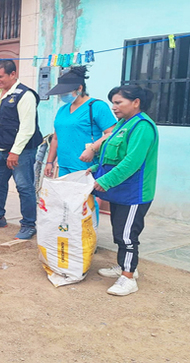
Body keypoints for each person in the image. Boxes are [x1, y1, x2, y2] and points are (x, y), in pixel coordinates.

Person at [88, 85, 158, 296]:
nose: (114, 107)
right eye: (113, 103)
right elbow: (110, 156)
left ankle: (128, 277)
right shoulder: (123, 124)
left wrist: (106, 181)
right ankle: (124, 267)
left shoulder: (143, 126)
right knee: (119, 232)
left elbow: (132, 162)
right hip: (120, 190)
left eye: (118, 102)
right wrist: (92, 170)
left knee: (127, 235)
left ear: (135, 102)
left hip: (134, 193)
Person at [0, 59, 43, 240]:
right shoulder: (0, 93)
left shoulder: (25, 95)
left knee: (24, 186)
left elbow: (27, 128)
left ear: (13, 74)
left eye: (0, 76)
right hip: (2, 148)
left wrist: (15, 152)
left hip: (22, 150)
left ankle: (29, 224)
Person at [44, 66, 116, 178]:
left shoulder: (97, 107)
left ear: (79, 88)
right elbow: (55, 138)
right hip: (63, 166)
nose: (63, 96)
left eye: (66, 92)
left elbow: (111, 133)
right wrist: (49, 162)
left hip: (86, 167)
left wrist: (92, 149)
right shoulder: (62, 110)